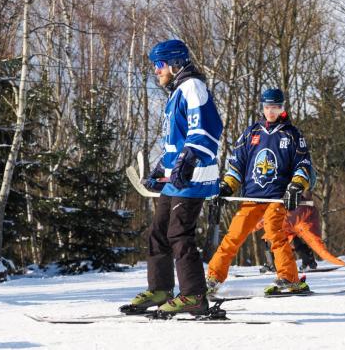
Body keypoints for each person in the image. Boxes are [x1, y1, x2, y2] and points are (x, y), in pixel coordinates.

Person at [124, 39, 223, 314]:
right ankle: (160, 289)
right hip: (177, 178)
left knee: (179, 233)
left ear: (175, 63)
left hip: (194, 177)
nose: (156, 71)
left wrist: (188, 159)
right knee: (159, 233)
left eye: (159, 65)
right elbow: (174, 143)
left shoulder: (193, 87)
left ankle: (193, 296)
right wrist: (161, 169)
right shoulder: (177, 92)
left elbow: (207, 128)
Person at [206, 88, 313, 295]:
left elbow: (303, 164)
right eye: (267, 107)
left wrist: (296, 185)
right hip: (251, 197)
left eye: (275, 107)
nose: (270, 112)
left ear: (282, 107)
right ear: (262, 108)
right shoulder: (251, 133)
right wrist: (226, 186)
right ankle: (213, 278)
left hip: (277, 197)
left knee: (274, 232)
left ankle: (289, 278)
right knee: (233, 235)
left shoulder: (291, 134)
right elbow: (237, 165)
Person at [257, 190, 345, 272]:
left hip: (294, 216)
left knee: (271, 238)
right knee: (289, 238)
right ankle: (308, 260)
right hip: (291, 217)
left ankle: (273, 264)